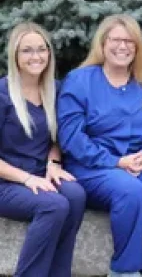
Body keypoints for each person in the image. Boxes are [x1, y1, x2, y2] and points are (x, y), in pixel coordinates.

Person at [56, 14, 142, 277]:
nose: (123, 46)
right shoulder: (79, 80)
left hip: (141, 161)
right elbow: (71, 137)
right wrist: (116, 162)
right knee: (129, 190)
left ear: (138, 47)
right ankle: (125, 270)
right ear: (103, 43)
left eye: (130, 41)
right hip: (92, 166)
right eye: (116, 40)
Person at [0, 22, 86, 277]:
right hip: (7, 181)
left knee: (76, 195)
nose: (36, 56)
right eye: (27, 50)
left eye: (41, 49)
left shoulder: (55, 89)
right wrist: (27, 179)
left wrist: (54, 163)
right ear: (15, 55)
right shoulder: (2, 93)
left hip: (41, 172)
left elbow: (58, 137)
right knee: (53, 206)